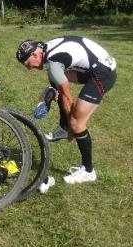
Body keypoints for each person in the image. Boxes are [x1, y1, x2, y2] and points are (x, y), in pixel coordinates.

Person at [16, 36, 117, 186]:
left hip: (103, 74)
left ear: (35, 54)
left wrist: (71, 127)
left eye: (28, 64)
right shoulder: (47, 49)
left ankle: (88, 170)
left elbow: (67, 97)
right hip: (96, 66)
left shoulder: (52, 62)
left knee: (76, 123)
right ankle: (63, 126)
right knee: (54, 78)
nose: (29, 68)